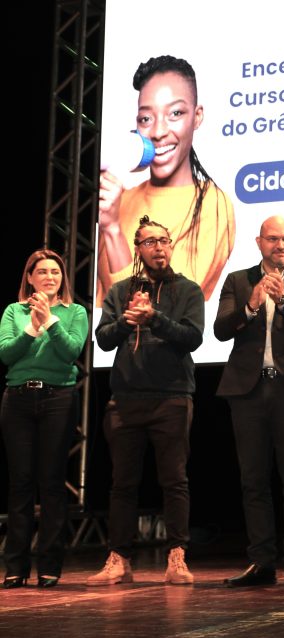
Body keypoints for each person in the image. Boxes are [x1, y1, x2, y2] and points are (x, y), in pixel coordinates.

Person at [89, 216, 204, 586]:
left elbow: (193, 337)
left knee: (174, 480)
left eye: (164, 240)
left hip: (171, 397)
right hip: (125, 400)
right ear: (138, 249)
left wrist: (154, 318)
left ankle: (176, 556)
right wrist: (126, 321)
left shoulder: (188, 290)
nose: (159, 247)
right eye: (150, 241)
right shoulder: (120, 290)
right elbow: (103, 339)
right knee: (122, 483)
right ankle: (119, 558)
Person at [216, 216, 284, 589]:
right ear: (259, 242)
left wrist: (283, 299)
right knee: (253, 480)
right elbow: (219, 329)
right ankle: (261, 561)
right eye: (274, 239)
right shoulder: (238, 280)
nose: (282, 245)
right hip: (248, 391)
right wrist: (250, 306)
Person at [97, 55, 235, 303]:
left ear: (197, 116)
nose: (159, 132)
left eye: (175, 113)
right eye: (146, 119)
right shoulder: (119, 201)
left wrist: (113, 230)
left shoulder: (214, 205)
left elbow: (166, 305)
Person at [1, 250, 87, 589]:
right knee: (20, 482)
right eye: (43, 272)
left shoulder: (74, 311)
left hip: (58, 398)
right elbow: (7, 354)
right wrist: (31, 328)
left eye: (56, 272)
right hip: (18, 399)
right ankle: (15, 567)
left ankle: (49, 566)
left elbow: (71, 353)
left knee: (51, 482)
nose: (50, 277)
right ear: (30, 278)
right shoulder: (14, 311)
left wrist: (49, 321)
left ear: (63, 278)